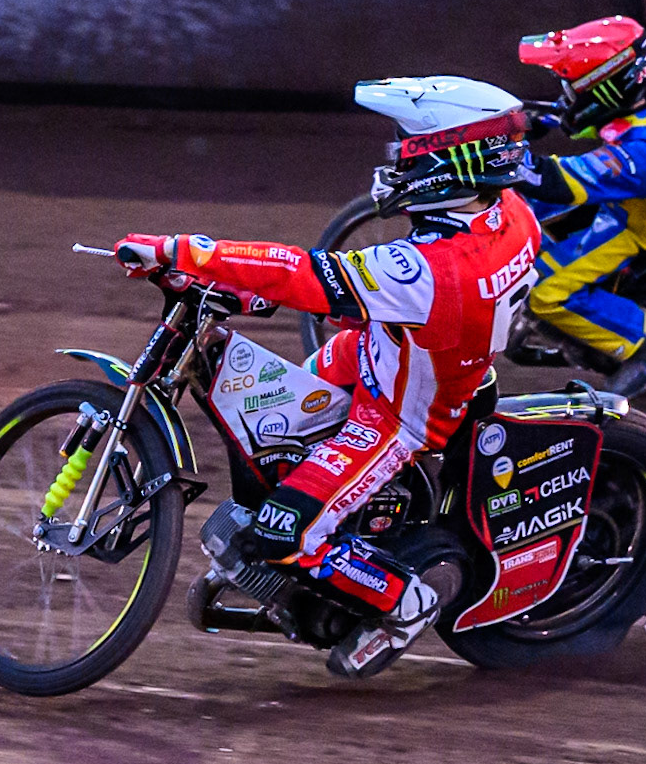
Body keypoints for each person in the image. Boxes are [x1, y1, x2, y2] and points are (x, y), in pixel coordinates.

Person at [114, 76, 541, 679]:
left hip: (396, 419)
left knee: (285, 529)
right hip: (392, 356)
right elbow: (345, 293)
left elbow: (303, 273)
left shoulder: (428, 268)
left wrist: (186, 251)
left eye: (407, 148)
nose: (394, 159)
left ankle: (404, 603)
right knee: (269, 427)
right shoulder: (510, 215)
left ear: (449, 162)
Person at [516, 15, 646, 397]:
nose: (566, 91)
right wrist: (548, 116)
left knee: (547, 292)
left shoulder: (642, 155)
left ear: (607, 91)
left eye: (573, 86)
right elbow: (600, 115)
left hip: (638, 215)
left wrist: (498, 158)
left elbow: (562, 181)